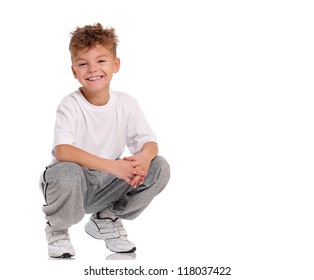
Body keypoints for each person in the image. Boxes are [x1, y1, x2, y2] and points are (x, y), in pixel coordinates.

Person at [39, 23, 170, 258]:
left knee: (158, 166)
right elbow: (62, 151)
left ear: (115, 65)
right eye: (83, 64)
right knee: (67, 171)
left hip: (108, 183)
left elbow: (149, 142)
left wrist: (143, 157)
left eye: (101, 61)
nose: (92, 69)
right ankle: (57, 228)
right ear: (74, 71)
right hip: (73, 184)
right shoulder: (71, 104)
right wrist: (114, 166)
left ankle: (105, 218)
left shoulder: (126, 103)